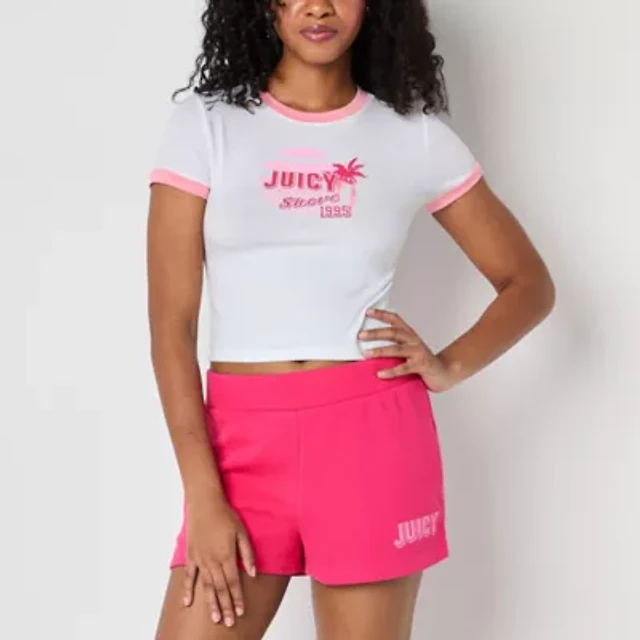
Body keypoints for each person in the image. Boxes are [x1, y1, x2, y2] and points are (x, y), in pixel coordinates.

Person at [147, 1, 555, 638]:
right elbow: (171, 328)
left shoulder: (411, 135)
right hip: (238, 451)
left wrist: (448, 365)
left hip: (370, 443)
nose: (319, 6)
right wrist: (202, 494)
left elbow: (528, 284)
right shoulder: (206, 125)